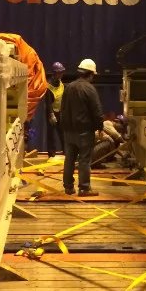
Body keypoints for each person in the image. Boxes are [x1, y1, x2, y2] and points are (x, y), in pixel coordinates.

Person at [60, 58, 105, 196]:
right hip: (84, 132)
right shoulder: (89, 89)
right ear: (90, 74)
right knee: (84, 160)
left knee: (69, 159)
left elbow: (63, 109)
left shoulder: (69, 87)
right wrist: (100, 127)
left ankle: (68, 187)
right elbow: (97, 111)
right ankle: (84, 188)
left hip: (68, 131)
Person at [44, 61, 65, 158]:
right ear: (54, 73)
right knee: (51, 134)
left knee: (62, 132)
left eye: (61, 72)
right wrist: (51, 115)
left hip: (60, 111)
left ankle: (66, 151)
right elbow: (48, 102)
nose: (61, 74)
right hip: (51, 112)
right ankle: (51, 154)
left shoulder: (60, 83)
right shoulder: (49, 86)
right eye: (59, 72)